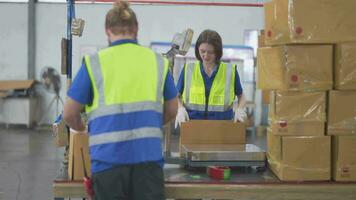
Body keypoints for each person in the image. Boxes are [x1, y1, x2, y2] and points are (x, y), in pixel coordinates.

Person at [63, 1, 178, 199]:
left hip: (108, 162)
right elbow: (172, 109)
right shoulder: (158, 61)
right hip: (148, 161)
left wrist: (83, 128)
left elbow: (69, 114)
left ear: (107, 31)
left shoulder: (94, 63)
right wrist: (149, 125)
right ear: (136, 28)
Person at [175, 29, 246, 128]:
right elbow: (176, 95)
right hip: (193, 127)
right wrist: (180, 108)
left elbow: (241, 95)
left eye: (210, 52)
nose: (206, 56)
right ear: (197, 49)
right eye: (202, 51)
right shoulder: (188, 69)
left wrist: (240, 109)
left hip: (222, 129)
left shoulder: (230, 71)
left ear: (217, 52)